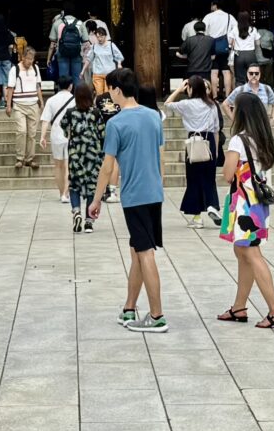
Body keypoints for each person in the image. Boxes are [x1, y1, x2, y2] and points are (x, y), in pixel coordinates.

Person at [90, 70, 169, 332]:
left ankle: (157, 315)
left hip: (134, 195)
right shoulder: (153, 117)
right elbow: (161, 156)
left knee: (144, 252)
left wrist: (96, 199)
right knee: (138, 249)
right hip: (153, 192)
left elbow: (107, 166)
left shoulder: (116, 123)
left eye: (110, 90)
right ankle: (129, 307)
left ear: (115, 90)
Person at [215, 95, 274, 330]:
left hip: (244, 204)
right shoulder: (262, 138)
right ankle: (239, 306)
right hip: (257, 204)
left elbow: (227, 175)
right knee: (242, 251)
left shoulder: (238, 141)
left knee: (252, 253)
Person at [172, 76, 221, 224]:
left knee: (193, 179)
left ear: (191, 88)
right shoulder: (211, 105)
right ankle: (212, 205)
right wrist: (216, 150)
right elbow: (216, 129)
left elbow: (167, 103)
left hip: (193, 141)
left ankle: (197, 217)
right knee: (209, 177)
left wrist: (179, 89)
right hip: (209, 140)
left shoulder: (186, 104)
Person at [60, 82, 106, 233]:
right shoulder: (96, 113)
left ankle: (76, 212)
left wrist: (72, 135)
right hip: (93, 155)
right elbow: (102, 134)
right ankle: (88, 221)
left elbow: (64, 129)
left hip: (75, 155)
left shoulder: (70, 112)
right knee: (92, 187)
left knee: (75, 185)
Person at [10, 52, 48, 171]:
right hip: (19, 104)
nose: (30, 61)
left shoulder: (35, 68)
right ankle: (20, 158)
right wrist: (8, 105)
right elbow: (10, 87)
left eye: (32, 59)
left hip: (33, 104)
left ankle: (30, 158)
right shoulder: (14, 69)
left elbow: (38, 86)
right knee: (21, 131)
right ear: (23, 58)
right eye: (28, 59)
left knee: (32, 133)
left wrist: (41, 102)